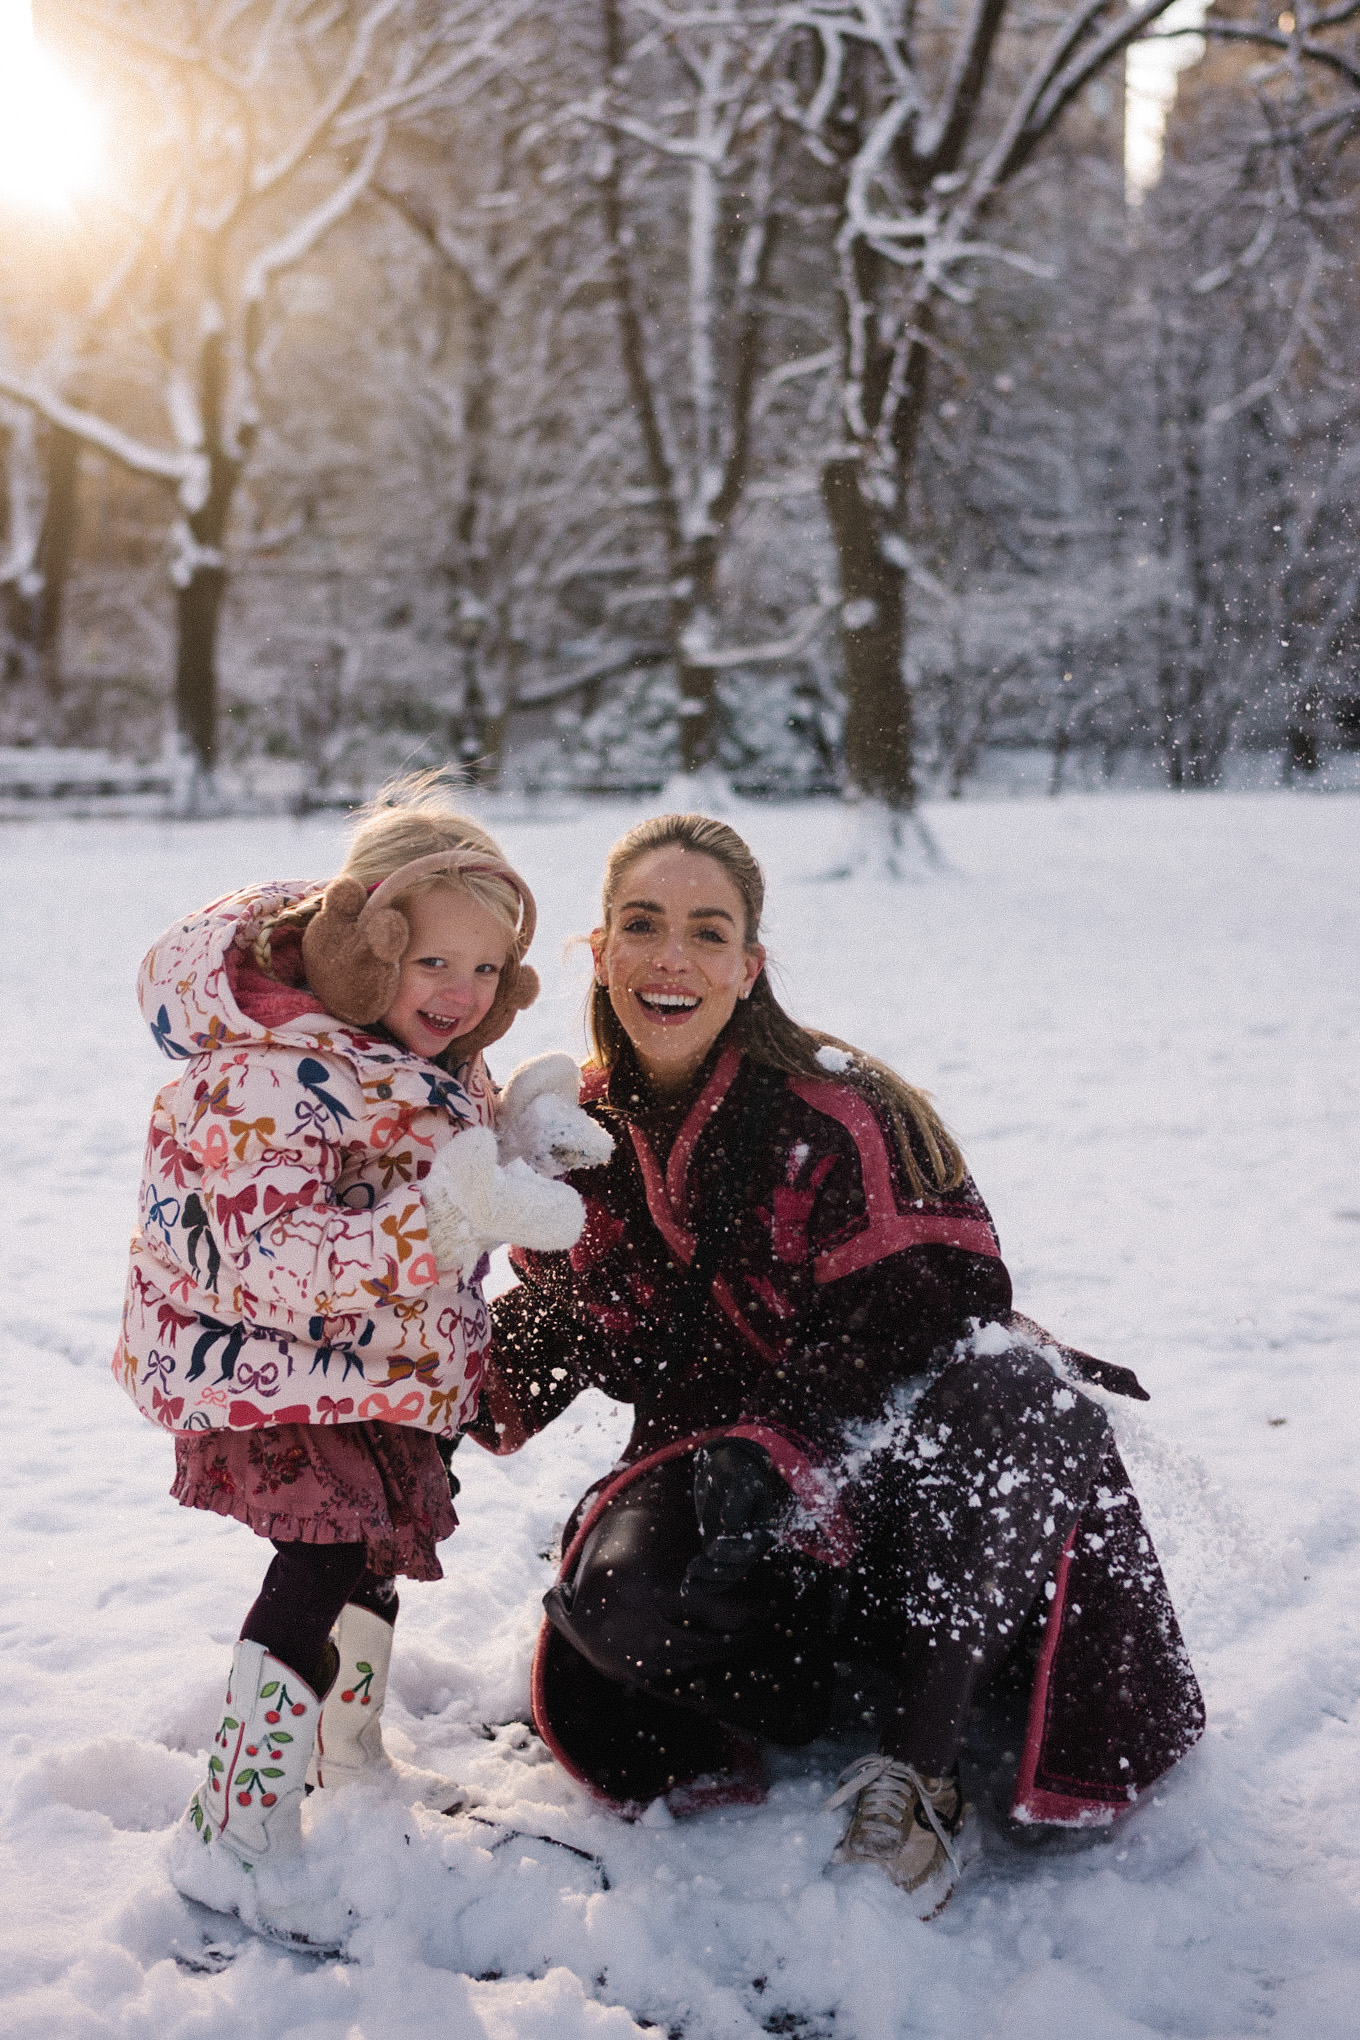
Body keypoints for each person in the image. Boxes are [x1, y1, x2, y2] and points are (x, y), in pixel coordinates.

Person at [470, 813, 1204, 1918]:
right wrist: (402, 1355)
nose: (672, 957)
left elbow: (931, 1312)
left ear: (748, 965)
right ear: (598, 950)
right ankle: (814, 1686)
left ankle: (919, 1772)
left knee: (1018, 1387)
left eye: (707, 932)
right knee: (614, 1599)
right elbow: (568, 1323)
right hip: (736, 1495)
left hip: (920, 1484)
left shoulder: (844, 1109)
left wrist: (786, 1449)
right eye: (643, 925)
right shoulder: (575, 1129)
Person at [114, 779, 611, 1901]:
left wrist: (519, 1143)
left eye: (487, 971)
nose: (462, 993)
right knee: (325, 1551)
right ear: (362, 945)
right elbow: (268, 1257)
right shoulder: (263, 1073)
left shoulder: (420, 1051)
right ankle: (232, 1830)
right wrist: (439, 1223)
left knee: (374, 1541)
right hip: (276, 1368)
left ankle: (344, 1754)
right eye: (434, 961)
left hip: (385, 1362)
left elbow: (452, 1168)